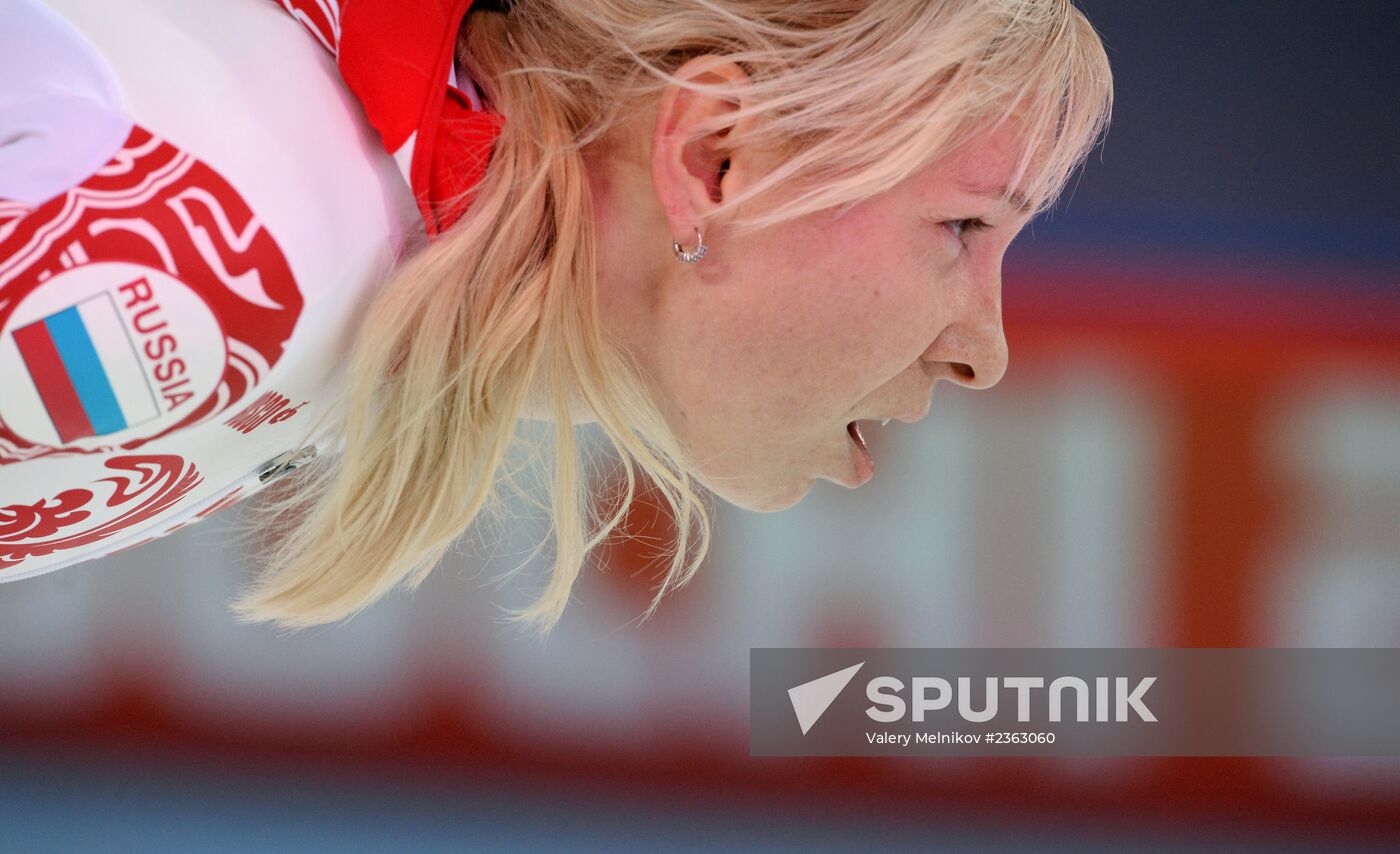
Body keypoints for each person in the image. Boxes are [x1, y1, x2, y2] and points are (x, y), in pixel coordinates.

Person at [1, 0, 1112, 636]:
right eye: (962, 228)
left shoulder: (326, 242)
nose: (986, 349)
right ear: (712, 160)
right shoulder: (218, 266)